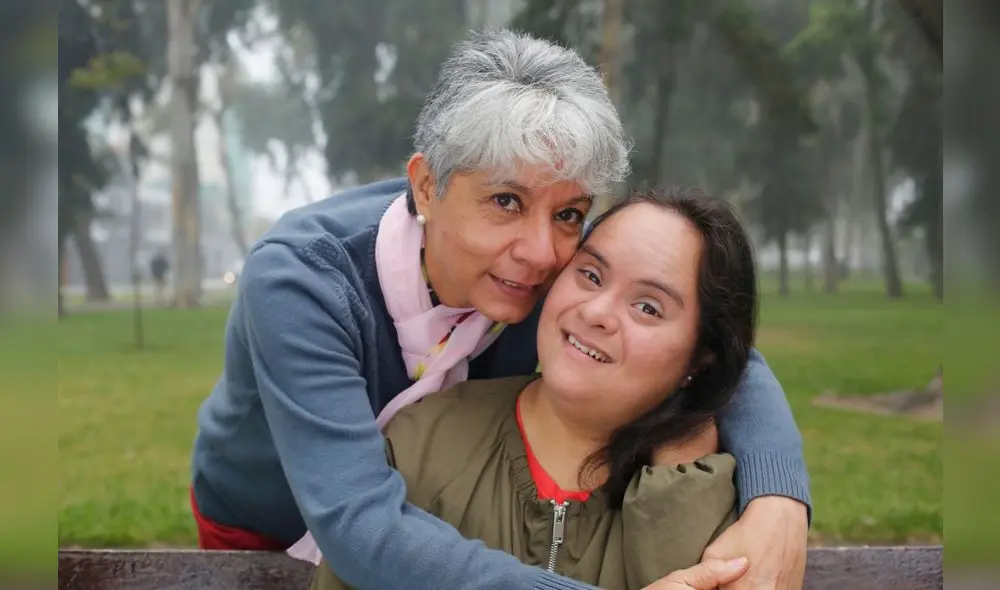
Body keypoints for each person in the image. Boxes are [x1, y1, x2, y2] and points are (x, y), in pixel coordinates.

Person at [190, 29, 809, 590]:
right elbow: (361, 529)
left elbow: (722, 355)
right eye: (506, 201)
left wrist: (778, 497)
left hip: (448, 526)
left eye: (569, 212)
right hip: (267, 522)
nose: (542, 253)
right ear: (427, 186)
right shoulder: (303, 278)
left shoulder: (565, 264)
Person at [304, 188, 759, 590]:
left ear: (699, 359)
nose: (597, 311)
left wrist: (680, 490)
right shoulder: (420, 445)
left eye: (647, 306)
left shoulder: (723, 512)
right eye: (591, 275)